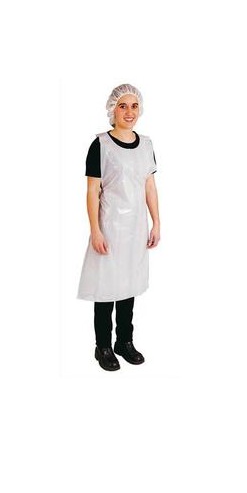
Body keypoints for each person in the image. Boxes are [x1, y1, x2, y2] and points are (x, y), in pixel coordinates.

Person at [77, 84, 160, 371]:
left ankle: (125, 341)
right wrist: (95, 230)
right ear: (113, 109)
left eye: (134, 106)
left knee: (129, 284)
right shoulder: (101, 145)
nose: (129, 112)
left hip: (136, 229)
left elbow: (149, 185)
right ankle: (103, 346)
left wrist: (156, 222)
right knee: (107, 287)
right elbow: (92, 191)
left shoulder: (146, 145)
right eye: (123, 106)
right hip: (110, 227)